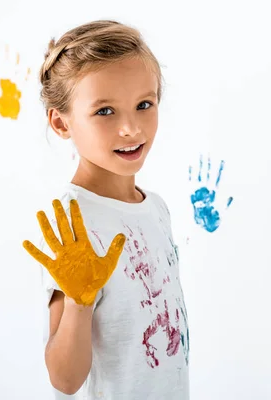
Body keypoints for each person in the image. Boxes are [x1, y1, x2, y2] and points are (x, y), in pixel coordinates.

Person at [22, 20, 190, 399]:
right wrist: (80, 303)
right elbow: (65, 380)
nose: (131, 128)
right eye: (105, 112)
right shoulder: (74, 219)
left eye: (143, 105)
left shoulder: (156, 208)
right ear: (61, 122)